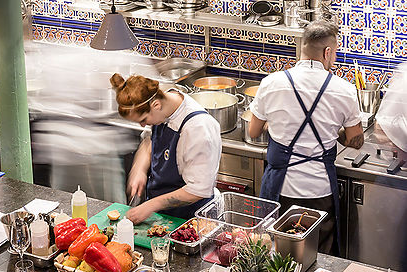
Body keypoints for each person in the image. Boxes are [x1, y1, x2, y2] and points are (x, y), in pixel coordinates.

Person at [248, 20, 364, 255]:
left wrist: (278, 124)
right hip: (319, 192)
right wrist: (334, 133)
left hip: (279, 189)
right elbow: (356, 140)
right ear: (327, 52)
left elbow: (253, 131)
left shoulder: (271, 83)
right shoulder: (344, 89)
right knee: (317, 256)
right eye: (335, 53)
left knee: (275, 255)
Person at [110, 74, 222, 224]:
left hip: (193, 218)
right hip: (163, 214)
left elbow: (198, 190)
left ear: (156, 105)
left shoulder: (198, 129)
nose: (143, 125)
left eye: (143, 120)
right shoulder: (165, 106)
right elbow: (149, 141)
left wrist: (150, 206)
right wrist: (139, 169)